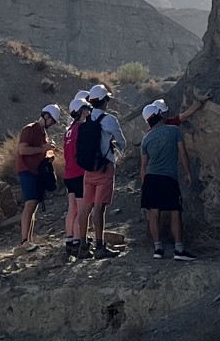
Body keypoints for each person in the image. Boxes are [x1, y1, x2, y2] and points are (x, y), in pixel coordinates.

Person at [73, 83, 127, 259]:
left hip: (88, 169)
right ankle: (99, 246)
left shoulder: (85, 120)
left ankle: (82, 246)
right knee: (99, 209)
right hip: (104, 167)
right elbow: (122, 143)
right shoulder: (109, 120)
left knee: (86, 207)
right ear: (105, 101)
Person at [140, 105, 195, 260]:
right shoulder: (174, 131)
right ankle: (179, 249)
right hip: (168, 178)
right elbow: (183, 154)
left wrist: (144, 184)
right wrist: (188, 173)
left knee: (154, 213)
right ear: (160, 115)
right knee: (175, 212)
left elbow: (143, 166)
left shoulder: (146, 138)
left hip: (150, 179)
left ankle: (158, 249)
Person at [16, 103, 62, 252]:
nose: (53, 124)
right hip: (27, 170)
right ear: (46, 116)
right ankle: (24, 241)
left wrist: (48, 155)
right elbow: (22, 149)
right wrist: (43, 149)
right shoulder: (30, 129)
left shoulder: (43, 133)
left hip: (36, 172)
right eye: (53, 121)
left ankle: (28, 240)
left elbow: (41, 152)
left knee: (33, 205)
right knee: (30, 204)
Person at [61, 92, 91, 262]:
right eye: (86, 110)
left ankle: (69, 240)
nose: (88, 113)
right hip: (80, 173)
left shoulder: (68, 131)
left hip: (69, 173)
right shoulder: (81, 129)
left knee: (72, 208)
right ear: (81, 111)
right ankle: (80, 243)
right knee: (81, 209)